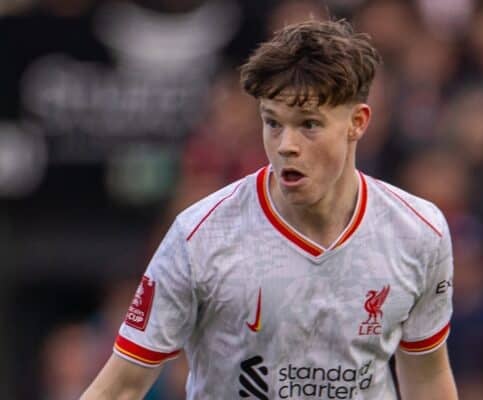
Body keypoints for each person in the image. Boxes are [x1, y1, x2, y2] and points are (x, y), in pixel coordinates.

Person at [81, 19, 458, 400]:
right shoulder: (201, 235)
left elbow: (427, 376)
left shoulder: (418, 232)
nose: (286, 145)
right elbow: (121, 387)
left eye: (309, 124)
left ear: (357, 123)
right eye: (272, 123)